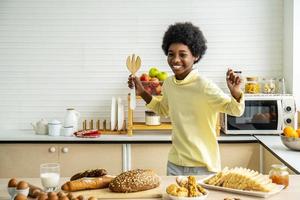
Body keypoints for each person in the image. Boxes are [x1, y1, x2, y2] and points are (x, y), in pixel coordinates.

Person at [128, 22, 245, 176]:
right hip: (175, 164)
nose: (175, 60)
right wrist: (142, 92)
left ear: (195, 56)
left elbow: (235, 109)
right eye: (171, 54)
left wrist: (236, 92)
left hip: (203, 166)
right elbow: (162, 109)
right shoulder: (169, 83)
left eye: (182, 54)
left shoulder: (204, 86)